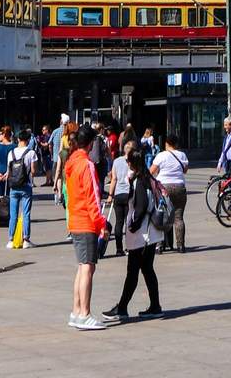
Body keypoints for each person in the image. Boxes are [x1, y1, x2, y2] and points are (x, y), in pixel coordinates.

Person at [102, 150, 164, 321]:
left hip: (142, 234)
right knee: (147, 269)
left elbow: (142, 206)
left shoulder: (140, 180)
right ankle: (155, 306)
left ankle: (122, 308)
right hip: (150, 233)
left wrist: (133, 225)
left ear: (131, 163)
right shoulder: (147, 177)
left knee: (133, 271)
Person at [66, 127, 107, 330]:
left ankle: (76, 311)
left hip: (75, 219)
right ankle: (85, 313)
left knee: (82, 267)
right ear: (90, 144)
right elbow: (93, 197)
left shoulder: (72, 162)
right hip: (86, 221)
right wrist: (101, 224)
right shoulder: (86, 165)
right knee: (88, 267)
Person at [151, 133, 188, 254]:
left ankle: (160, 245)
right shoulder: (182, 155)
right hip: (179, 187)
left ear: (166, 143)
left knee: (162, 216)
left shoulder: (161, 155)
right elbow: (185, 170)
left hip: (164, 187)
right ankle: (180, 246)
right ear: (176, 144)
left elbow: (152, 171)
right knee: (178, 217)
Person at [2, 130, 38, 249]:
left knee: (13, 214)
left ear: (18, 139)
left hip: (13, 187)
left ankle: (11, 240)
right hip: (26, 186)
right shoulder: (31, 153)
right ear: (28, 140)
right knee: (26, 213)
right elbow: (33, 171)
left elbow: (9, 170)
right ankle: (26, 239)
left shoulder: (11, 153)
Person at [107, 140, 135, 256]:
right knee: (128, 222)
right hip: (129, 194)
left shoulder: (117, 161)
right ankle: (129, 247)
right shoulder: (134, 161)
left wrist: (110, 195)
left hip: (118, 194)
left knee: (119, 222)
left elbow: (113, 179)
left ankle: (119, 249)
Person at [0, 126, 15, 197]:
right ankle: (8, 208)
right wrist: (8, 172)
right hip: (10, 172)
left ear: (4, 135)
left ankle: (0, 208)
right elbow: (13, 161)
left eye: (0, 134)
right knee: (9, 194)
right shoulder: (14, 146)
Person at [48, 114, 69, 187]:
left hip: (56, 157)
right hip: (67, 158)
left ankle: (57, 193)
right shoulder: (69, 133)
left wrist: (51, 154)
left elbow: (50, 144)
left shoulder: (55, 131)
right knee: (65, 176)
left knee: (57, 175)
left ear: (60, 122)